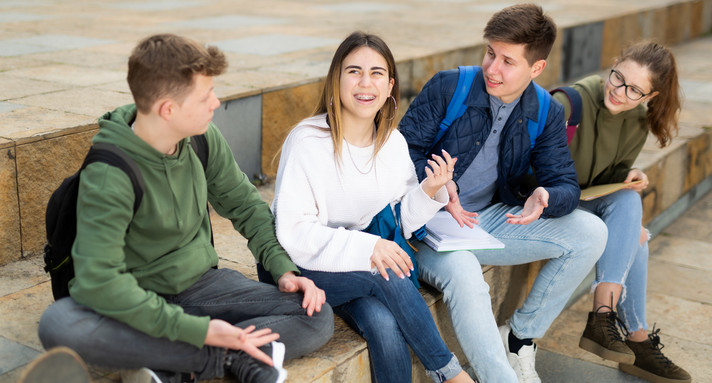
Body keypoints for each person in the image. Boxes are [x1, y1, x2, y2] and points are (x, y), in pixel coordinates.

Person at [37, 33, 334, 383]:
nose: (216, 102)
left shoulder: (200, 137)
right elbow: (99, 282)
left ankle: (166, 366)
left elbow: (245, 205)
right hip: (136, 298)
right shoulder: (109, 174)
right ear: (168, 110)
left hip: (202, 286)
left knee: (316, 314)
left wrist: (284, 270)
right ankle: (224, 358)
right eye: (205, 95)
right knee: (59, 324)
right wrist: (201, 332)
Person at [399, 4, 608, 383]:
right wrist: (436, 184)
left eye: (508, 61)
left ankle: (520, 335)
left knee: (592, 232)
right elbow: (399, 152)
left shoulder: (545, 111)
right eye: (490, 53)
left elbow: (565, 184)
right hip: (419, 226)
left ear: (536, 68)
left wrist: (546, 194)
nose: (492, 68)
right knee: (462, 268)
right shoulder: (450, 86)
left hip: (482, 220)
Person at [270, 31, 474, 383]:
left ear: (390, 85)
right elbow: (295, 235)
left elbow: (401, 221)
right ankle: (451, 375)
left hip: (353, 267)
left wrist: (429, 190)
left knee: (382, 322)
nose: (366, 83)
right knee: (388, 274)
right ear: (336, 79)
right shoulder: (308, 140)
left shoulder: (392, 143)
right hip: (303, 264)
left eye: (377, 73)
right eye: (354, 71)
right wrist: (369, 247)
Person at [555, 41, 691, 383]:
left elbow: (601, 178)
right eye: (617, 78)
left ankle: (620, 329)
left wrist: (627, 178)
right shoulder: (569, 103)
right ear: (613, 66)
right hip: (545, 202)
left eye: (634, 90)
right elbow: (540, 172)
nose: (619, 92)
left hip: (582, 201)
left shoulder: (637, 122)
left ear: (650, 97)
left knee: (632, 213)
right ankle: (620, 329)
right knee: (632, 232)